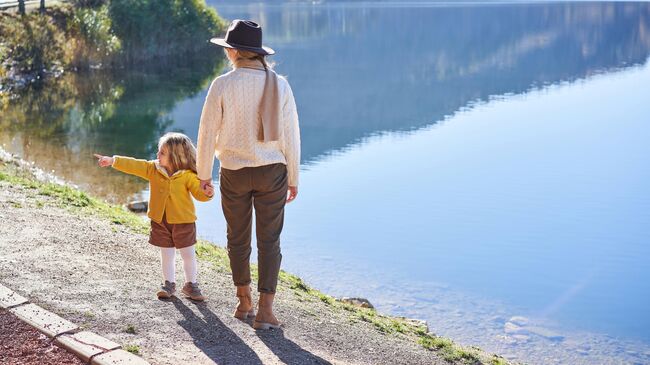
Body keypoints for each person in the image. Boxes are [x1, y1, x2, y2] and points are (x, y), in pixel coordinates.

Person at [196, 19, 301, 330]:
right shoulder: (279, 84)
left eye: (229, 48)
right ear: (256, 53)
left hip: (234, 172)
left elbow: (206, 133)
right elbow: (291, 136)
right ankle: (266, 311)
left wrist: (204, 174)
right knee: (270, 241)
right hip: (272, 172)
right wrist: (294, 177)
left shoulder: (222, 84)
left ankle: (244, 303)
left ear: (236, 52)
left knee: (237, 239)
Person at [94, 132, 213, 301]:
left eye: (162, 153)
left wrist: (207, 192)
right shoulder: (153, 169)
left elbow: (200, 194)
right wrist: (113, 160)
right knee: (167, 255)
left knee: (188, 255)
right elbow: (135, 165)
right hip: (160, 221)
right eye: (159, 151)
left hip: (183, 222)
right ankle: (169, 284)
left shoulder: (188, 175)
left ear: (175, 157)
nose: (157, 155)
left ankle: (191, 285)